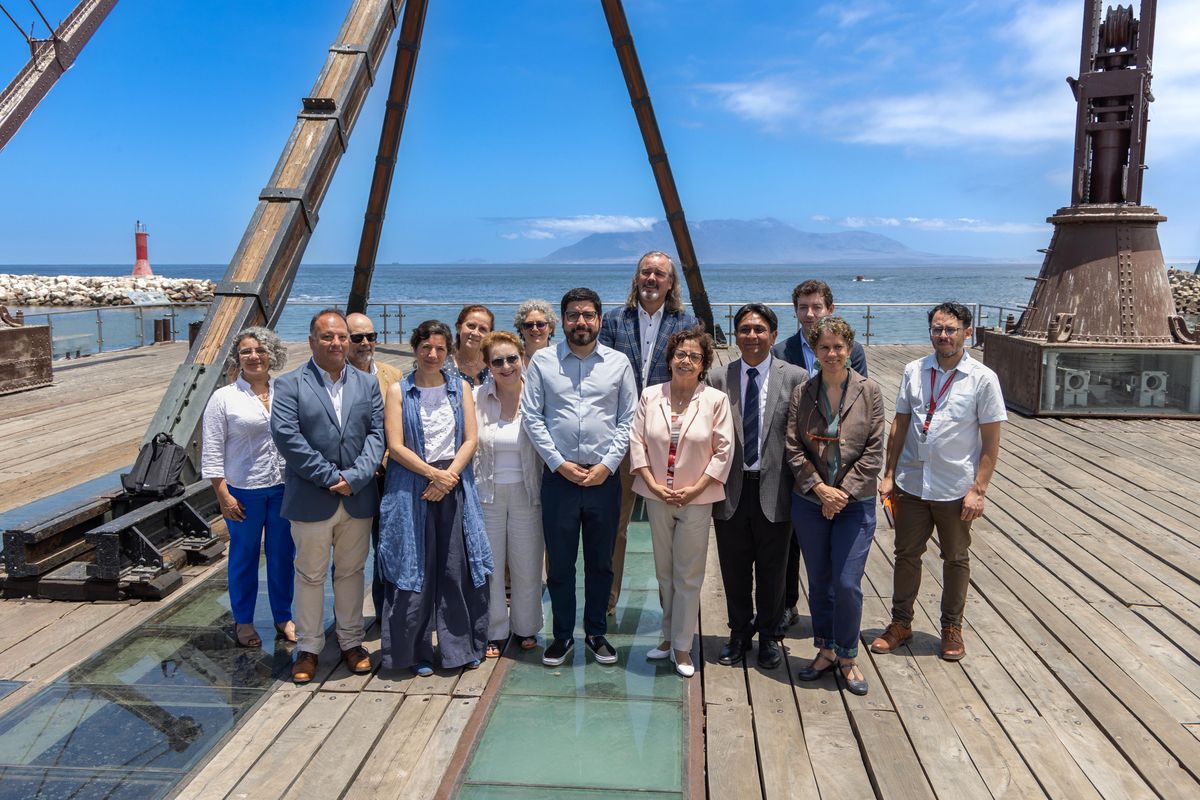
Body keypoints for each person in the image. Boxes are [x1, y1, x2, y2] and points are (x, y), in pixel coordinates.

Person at [869, 302, 1005, 661]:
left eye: (950, 329)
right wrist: (888, 474)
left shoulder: (982, 378)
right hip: (912, 483)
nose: (943, 336)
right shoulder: (915, 370)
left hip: (955, 488)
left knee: (956, 558)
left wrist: (978, 490)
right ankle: (901, 623)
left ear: (967, 332)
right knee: (906, 555)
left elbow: (991, 441)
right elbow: (899, 425)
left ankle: (951, 628)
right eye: (937, 329)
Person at [522, 287, 637, 667]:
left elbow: (627, 419)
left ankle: (596, 633)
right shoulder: (542, 361)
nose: (581, 322)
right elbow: (533, 417)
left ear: (600, 320)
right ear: (563, 320)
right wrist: (558, 463)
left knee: (601, 561)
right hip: (559, 477)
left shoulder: (619, 363)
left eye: (588, 315)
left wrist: (607, 464)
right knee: (560, 563)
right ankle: (562, 636)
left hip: (605, 477)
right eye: (573, 315)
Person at [271, 308, 385, 683]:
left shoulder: (368, 384)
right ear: (311, 341)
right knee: (310, 575)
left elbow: (377, 435)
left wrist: (355, 477)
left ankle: (351, 641)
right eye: (328, 337)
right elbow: (288, 438)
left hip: (357, 496)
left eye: (343, 337)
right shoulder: (289, 385)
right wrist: (329, 477)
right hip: (310, 498)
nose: (337, 343)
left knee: (352, 573)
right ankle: (308, 648)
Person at [378, 320, 493, 675]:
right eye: (426, 347)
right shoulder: (399, 391)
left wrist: (449, 476)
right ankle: (413, 652)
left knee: (456, 566)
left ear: (449, 352)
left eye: (440, 349)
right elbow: (395, 445)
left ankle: (459, 647)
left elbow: (470, 439)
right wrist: (433, 475)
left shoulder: (460, 388)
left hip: (454, 482)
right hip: (412, 484)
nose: (433, 354)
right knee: (413, 569)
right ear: (415, 349)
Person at [785, 317, 883, 696]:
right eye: (823, 347)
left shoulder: (869, 390)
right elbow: (793, 445)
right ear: (814, 350)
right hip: (810, 501)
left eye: (838, 347)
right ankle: (825, 650)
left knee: (847, 582)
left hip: (856, 503)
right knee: (820, 581)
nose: (831, 354)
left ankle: (847, 654)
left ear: (850, 348)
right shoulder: (803, 392)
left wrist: (841, 493)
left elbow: (875, 449)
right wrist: (820, 489)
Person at [629, 326, 732, 677]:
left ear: (703, 364)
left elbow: (723, 451)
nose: (685, 361)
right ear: (670, 359)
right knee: (664, 573)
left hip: (697, 498)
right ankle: (666, 637)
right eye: (680, 354)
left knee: (688, 575)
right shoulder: (650, 396)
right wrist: (653, 484)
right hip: (656, 495)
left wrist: (696, 488)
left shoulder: (715, 400)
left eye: (693, 356)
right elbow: (637, 443)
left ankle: (683, 646)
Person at [708, 304, 807, 669]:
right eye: (745, 329)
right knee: (733, 569)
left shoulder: (795, 377)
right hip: (731, 489)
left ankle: (769, 637)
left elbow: (801, 435)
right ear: (735, 335)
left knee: (773, 569)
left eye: (759, 329)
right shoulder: (718, 379)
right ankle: (738, 633)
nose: (752, 336)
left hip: (775, 488)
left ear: (773, 335)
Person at [600, 251, 699, 616]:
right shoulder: (613, 321)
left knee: (669, 531)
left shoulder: (687, 322)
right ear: (636, 279)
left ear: (670, 283)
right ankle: (607, 603)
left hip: (667, 439)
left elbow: (693, 377)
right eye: (645, 272)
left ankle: (670, 609)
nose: (651, 279)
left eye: (659, 274)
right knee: (617, 527)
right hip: (621, 437)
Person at [772, 278, 868, 629]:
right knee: (790, 540)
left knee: (835, 554)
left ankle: (829, 621)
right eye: (803, 307)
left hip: (840, 468)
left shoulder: (851, 351)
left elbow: (858, 407)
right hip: (795, 460)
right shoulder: (782, 352)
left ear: (831, 308)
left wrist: (840, 481)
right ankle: (787, 605)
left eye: (817, 307)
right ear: (795, 311)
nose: (810, 314)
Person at [201, 327, 295, 648]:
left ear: (272, 355)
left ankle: (283, 616)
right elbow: (212, 451)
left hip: (283, 487)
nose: (254, 356)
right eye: (245, 352)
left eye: (260, 350)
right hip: (243, 491)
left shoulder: (286, 391)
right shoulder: (223, 398)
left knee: (283, 554)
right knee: (244, 557)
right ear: (237, 359)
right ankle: (243, 621)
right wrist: (222, 494)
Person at [474, 331, 545, 657]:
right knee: (490, 565)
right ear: (488, 365)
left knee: (527, 564)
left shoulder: (538, 395)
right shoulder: (476, 397)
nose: (506, 366)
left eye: (511, 359)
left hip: (527, 491)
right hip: (486, 492)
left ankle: (526, 627)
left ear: (522, 358)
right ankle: (494, 630)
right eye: (498, 361)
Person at [345, 312, 403, 618]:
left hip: (388, 476)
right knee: (349, 555)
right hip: (352, 480)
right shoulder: (336, 378)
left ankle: (385, 615)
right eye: (357, 338)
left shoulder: (393, 375)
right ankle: (348, 620)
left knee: (388, 546)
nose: (365, 343)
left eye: (371, 336)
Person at [450, 304, 494, 386]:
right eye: (471, 326)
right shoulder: (444, 366)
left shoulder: (495, 364)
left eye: (483, 329)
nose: (475, 333)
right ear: (458, 328)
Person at [513, 299, 558, 365]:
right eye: (529, 325)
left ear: (551, 327)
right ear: (521, 329)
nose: (535, 329)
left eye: (540, 324)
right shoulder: (512, 357)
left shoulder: (559, 355)